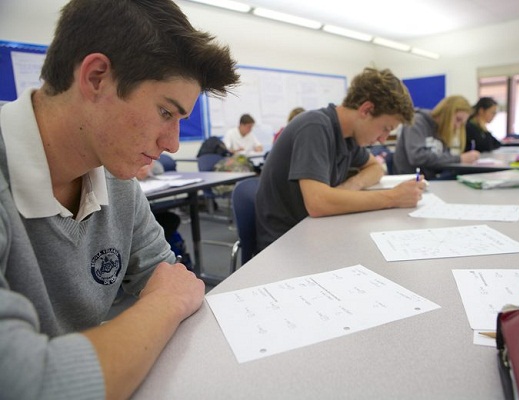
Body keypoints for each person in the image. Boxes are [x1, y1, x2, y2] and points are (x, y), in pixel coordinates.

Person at [0, 0, 238, 398]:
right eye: (166, 112)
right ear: (96, 77)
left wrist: (167, 299)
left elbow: (168, 280)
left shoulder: (115, 178)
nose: (173, 143)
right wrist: (164, 305)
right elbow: (26, 384)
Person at [255, 67, 426, 252]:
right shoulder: (315, 127)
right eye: (385, 128)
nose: (383, 139)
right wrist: (393, 197)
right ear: (366, 110)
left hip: (314, 231)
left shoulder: (349, 138)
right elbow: (318, 203)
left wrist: (352, 185)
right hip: (284, 245)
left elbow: (376, 168)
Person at [393, 95, 480, 180]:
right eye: (458, 119)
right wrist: (459, 158)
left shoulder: (441, 128)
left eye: (461, 124)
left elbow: (443, 156)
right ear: (447, 112)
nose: (457, 126)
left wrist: (454, 159)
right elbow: (417, 157)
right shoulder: (417, 122)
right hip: (413, 180)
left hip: (432, 177)